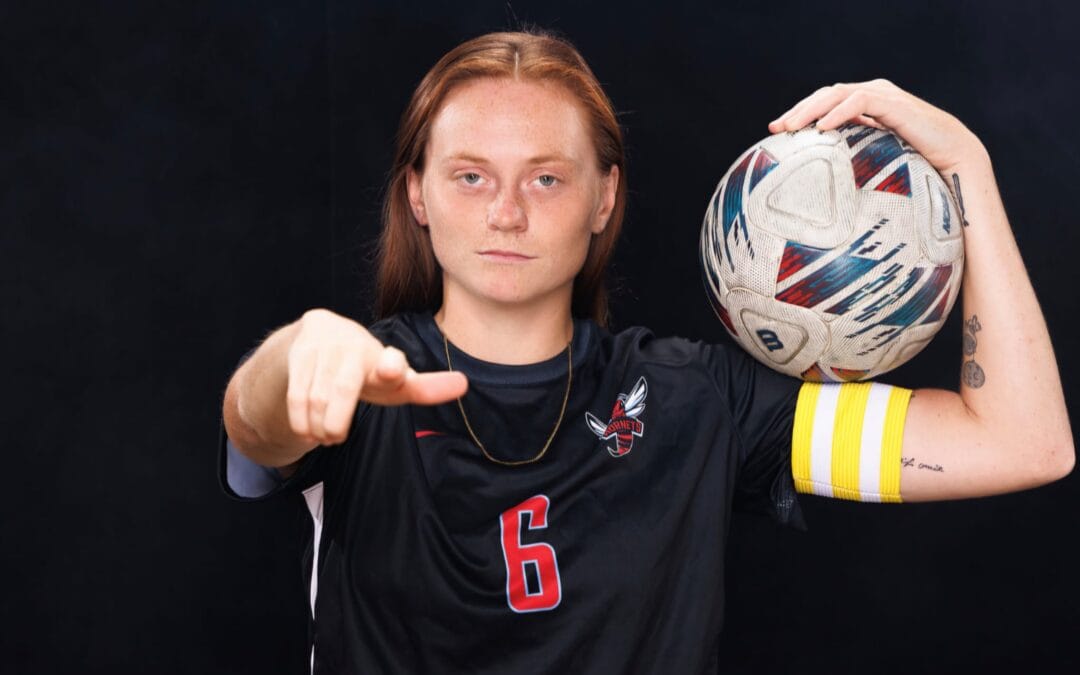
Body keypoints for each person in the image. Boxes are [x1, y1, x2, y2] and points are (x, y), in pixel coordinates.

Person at [218, 29, 1073, 674]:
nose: (507, 212)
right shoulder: (355, 377)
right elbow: (257, 432)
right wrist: (294, 354)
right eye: (470, 175)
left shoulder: (700, 402)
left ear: (605, 195)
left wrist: (968, 169)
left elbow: (1022, 441)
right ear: (418, 196)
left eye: (546, 176)